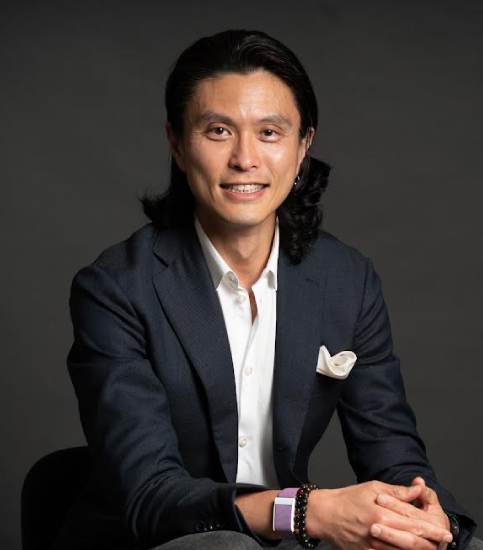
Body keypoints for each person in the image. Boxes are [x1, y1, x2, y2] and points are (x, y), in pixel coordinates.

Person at [54, 29, 480, 550]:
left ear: (303, 147)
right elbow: (153, 497)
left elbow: (393, 453)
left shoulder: (347, 280)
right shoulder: (116, 289)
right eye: (217, 131)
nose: (245, 159)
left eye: (270, 133)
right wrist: (304, 510)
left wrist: (434, 519)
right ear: (177, 143)